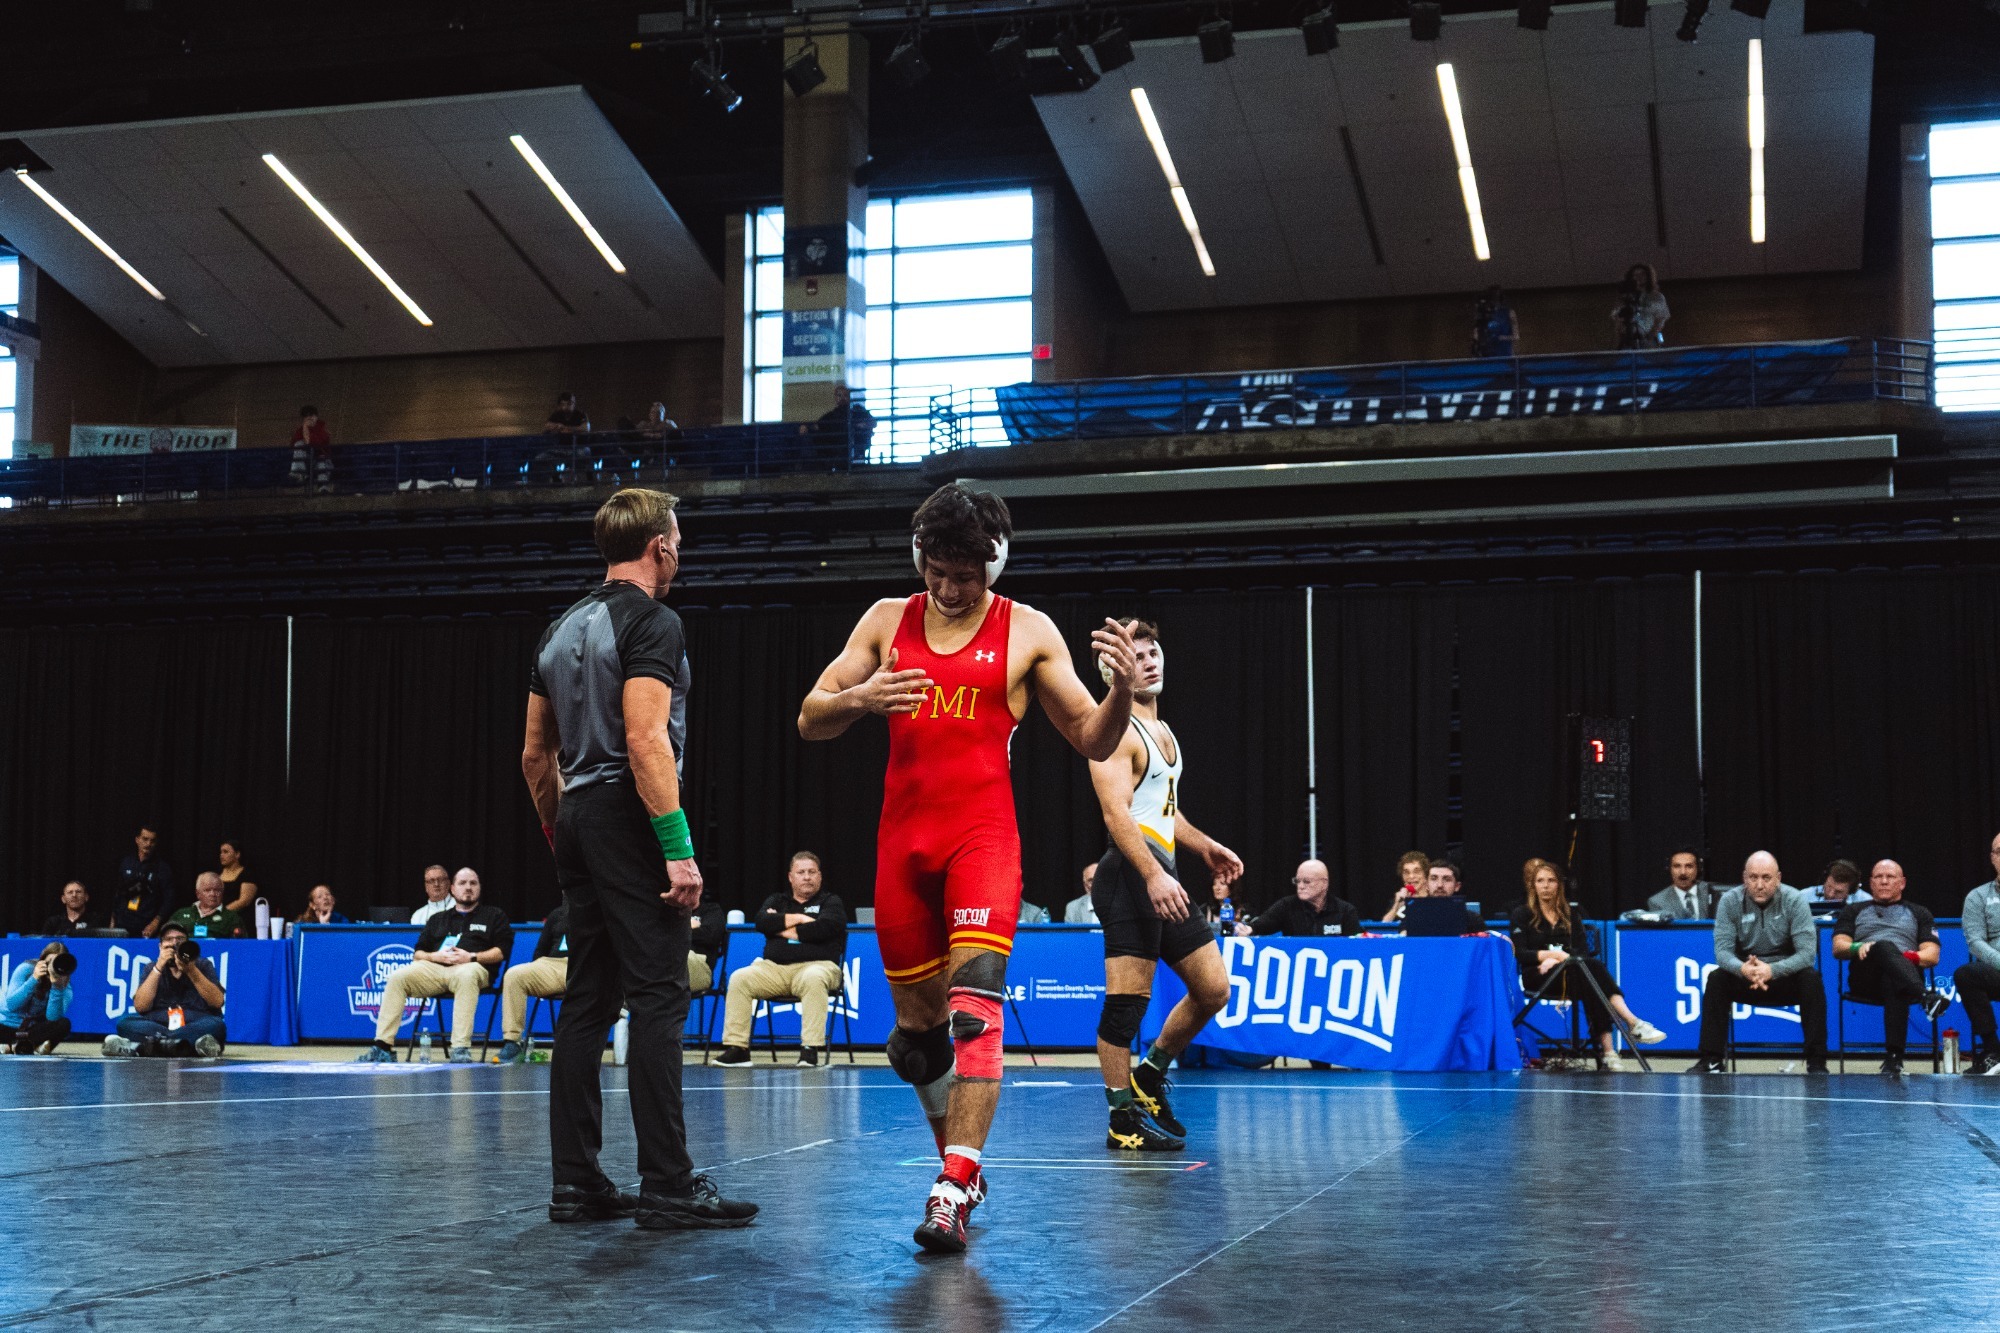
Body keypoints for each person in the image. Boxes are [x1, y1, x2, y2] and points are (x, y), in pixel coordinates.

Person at [797, 480, 1141, 1254]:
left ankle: (953, 1184)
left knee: (974, 1011)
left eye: (966, 576)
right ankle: (960, 1165)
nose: (950, 590)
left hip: (981, 842)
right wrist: (861, 697)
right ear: (919, 558)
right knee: (917, 1044)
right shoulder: (885, 620)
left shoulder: (1028, 630)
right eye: (937, 572)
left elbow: (1093, 737)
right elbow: (809, 717)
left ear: (995, 564)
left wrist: (1120, 689)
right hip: (903, 849)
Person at [521, 487, 757, 1230]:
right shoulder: (654, 620)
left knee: (587, 998)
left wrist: (563, 835)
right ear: (660, 547)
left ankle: (576, 1183)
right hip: (630, 811)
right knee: (658, 993)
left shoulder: (558, 628)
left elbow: (535, 757)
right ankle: (668, 1184)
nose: (680, 551)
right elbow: (646, 739)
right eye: (677, 540)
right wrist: (677, 850)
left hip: (579, 815)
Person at [1085, 618, 1241, 1153]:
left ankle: (1149, 1076)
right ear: (1114, 670)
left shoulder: (1163, 730)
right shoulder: (1113, 731)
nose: (1148, 663)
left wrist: (1203, 845)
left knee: (1213, 989)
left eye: (1153, 653)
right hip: (1130, 878)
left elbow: (1162, 811)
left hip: (1160, 874)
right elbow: (1116, 813)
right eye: (1136, 657)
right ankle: (1120, 1119)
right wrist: (1153, 874)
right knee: (1125, 1009)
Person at [1511, 858, 1665, 1070]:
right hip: (1538, 975)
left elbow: (1581, 952)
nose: (1545, 886)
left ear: (1559, 885)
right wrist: (1553, 956)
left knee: (1590, 974)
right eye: (1540, 881)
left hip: (1572, 973)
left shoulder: (1571, 913)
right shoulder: (1522, 914)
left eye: (1551, 880)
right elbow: (1520, 953)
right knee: (1591, 974)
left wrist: (1559, 961)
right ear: (1533, 885)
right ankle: (1629, 1028)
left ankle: (1612, 1050)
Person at [1688, 851, 1828, 1075]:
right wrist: (1742, 969)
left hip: (1783, 977)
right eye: (1753, 878)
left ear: (1778, 878)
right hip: (1747, 976)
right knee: (1716, 979)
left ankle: (1817, 1061)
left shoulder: (1794, 900)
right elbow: (1722, 952)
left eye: (1766, 878)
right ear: (1744, 878)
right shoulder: (1730, 901)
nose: (1759, 885)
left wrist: (1772, 970)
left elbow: (1807, 954)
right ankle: (1711, 1059)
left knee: (1811, 978)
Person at [353, 867, 513, 1064]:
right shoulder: (438, 918)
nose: (468, 887)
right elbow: (418, 954)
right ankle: (383, 1047)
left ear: (479, 888)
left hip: (473, 967)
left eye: (473, 883)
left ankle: (460, 1048)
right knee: (397, 977)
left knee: (466, 975)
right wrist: (435, 956)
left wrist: (471, 957)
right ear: (452, 889)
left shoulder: (494, 915)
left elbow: (501, 952)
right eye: (462, 883)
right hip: (436, 969)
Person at [717, 852, 850, 1067]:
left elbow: (825, 928)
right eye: (801, 872)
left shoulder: (830, 902)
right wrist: (800, 919)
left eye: (812, 872)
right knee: (740, 978)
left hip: (818, 966)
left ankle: (810, 1049)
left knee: (814, 978)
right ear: (790, 877)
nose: (806, 877)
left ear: (820, 876)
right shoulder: (778, 900)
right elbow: (762, 922)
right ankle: (738, 1049)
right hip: (774, 969)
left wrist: (779, 926)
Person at [1832, 860, 1944, 1076]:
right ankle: (1926, 997)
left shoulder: (1919, 912)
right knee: (1883, 946)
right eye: (1878, 877)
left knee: (1893, 976)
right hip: (1865, 977)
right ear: (1871, 883)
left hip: (1902, 978)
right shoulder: (1853, 910)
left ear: (1902, 883)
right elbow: (1838, 947)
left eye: (1890, 877)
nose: (1884, 881)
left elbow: (1932, 955)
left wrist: (1902, 958)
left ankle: (1893, 1059)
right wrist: (1858, 947)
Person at [102, 924, 227, 1057]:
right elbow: (141, 1006)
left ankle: (145, 1047)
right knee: (124, 1023)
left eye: (180, 939)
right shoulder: (151, 967)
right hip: (159, 1023)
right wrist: (159, 967)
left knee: (216, 1025)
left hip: (194, 1022)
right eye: (169, 939)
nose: (174, 943)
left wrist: (191, 970)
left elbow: (217, 1002)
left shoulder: (202, 965)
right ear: (160, 946)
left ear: (187, 944)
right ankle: (184, 1046)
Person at [499, 898, 573, 1065]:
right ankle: (512, 1041)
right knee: (514, 975)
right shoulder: (557, 914)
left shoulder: (600, 912)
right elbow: (539, 952)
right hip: (551, 965)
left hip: (584, 965)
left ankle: (576, 1044)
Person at [1952, 833, 2000, 1075]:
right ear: (1992, 858)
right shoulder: (1978, 896)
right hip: (1997, 970)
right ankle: (1993, 1051)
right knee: (1966, 974)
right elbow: (1975, 942)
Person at [1250, 860, 1362, 939]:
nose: (1301, 886)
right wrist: (1249, 929)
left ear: (1324, 883)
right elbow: (1259, 926)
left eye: (1307, 881)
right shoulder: (1286, 906)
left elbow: (1357, 945)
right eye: (1297, 881)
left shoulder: (1346, 911)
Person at [1, 943, 75, 1055]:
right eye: (49, 962)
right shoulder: (25, 969)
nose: (52, 967)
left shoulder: (64, 985)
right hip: (7, 1025)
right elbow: (12, 1005)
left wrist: (56, 987)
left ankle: (19, 1046)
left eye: (56, 963)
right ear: (42, 960)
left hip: (32, 1031)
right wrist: (33, 979)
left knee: (63, 1024)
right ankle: (25, 1046)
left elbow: (53, 1018)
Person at [111, 824, 174, 937]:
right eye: (145, 839)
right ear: (137, 840)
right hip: (122, 923)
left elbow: (168, 899)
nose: (148, 844)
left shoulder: (162, 868)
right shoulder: (126, 862)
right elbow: (117, 893)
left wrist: (156, 922)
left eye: (152, 841)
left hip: (146, 925)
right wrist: (113, 920)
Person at [164, 872, 246, 940]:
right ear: (198, 894)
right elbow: (164, 939)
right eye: (207, 890)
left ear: (222, 893)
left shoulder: (232, 918)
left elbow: (240, 946)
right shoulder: (180, 914)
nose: (213, 894)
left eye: (217, 890)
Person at [814, 383, 875, 464]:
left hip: (855, 442)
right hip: (836, 446)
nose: (842, 398)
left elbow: (873, 423)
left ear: (849, 397)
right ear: (835, 398)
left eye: (845, 395)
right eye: (839, 395)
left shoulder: (858, 410)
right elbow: (818, 425)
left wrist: (861, 425)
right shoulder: (831, 415)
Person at [1645, 848, 1716, 919]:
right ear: (1669, 869)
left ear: (1698, 868)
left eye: (1689, 866)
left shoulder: (1714, 893)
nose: (1683, 872)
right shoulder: (1657, 902)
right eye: (1677, 866)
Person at [1613, 263, 1669, 349]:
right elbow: (1618, 317)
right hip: (1628, 339)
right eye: (1635, 275)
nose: (1639, 277)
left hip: (1648, 339)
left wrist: (1650, 335)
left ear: (1648, 276)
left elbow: (1661, 318)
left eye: (1642, 274)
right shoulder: (1626, 297)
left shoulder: (1656, 297)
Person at [688, 884, 727, 995]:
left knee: (683, 955)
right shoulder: (673, 912)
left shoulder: (712, 911)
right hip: (674, 967)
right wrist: (690, 927)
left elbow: (711, 936)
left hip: (701, 967)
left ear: (699, 890)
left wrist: (681, 930)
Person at [289, 406, 333, 493]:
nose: (309, 418)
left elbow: (312, 443)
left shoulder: (322, 429)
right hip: (308, 462)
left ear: (316, 417)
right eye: (306, 416)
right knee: (299, 444)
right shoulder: (300, 431)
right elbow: (294, 446)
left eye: (312, 415)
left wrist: (306, 429)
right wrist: (305, 427)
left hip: (322, 460)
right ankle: (299, 472)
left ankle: (323, 487)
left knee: (321, 461)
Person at [1380, 850, 1431, 922]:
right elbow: (1384, 926)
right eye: (1406, 872)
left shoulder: (1433, 899)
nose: (1411, 876)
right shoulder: (1398, 900)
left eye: (1416, 872)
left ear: (1426, 875)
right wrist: (1396, 906)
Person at [1471, 285, 1518, 358]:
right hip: (1487, 355)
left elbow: (1516, 336)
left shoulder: (1509, 313)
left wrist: (1499, 338)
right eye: (1491, 298)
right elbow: (1477, 334)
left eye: (1496, 298)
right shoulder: (1484, 314)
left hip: (1505, 354)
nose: (1493, 301)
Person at [217, 840, 259, 917]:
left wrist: (221, 913)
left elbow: (244, 901)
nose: (221, 855)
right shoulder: (217, 873)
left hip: (238, 918)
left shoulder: (247, 874)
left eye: (225, 852)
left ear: (237, 854)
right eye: (221, 852)